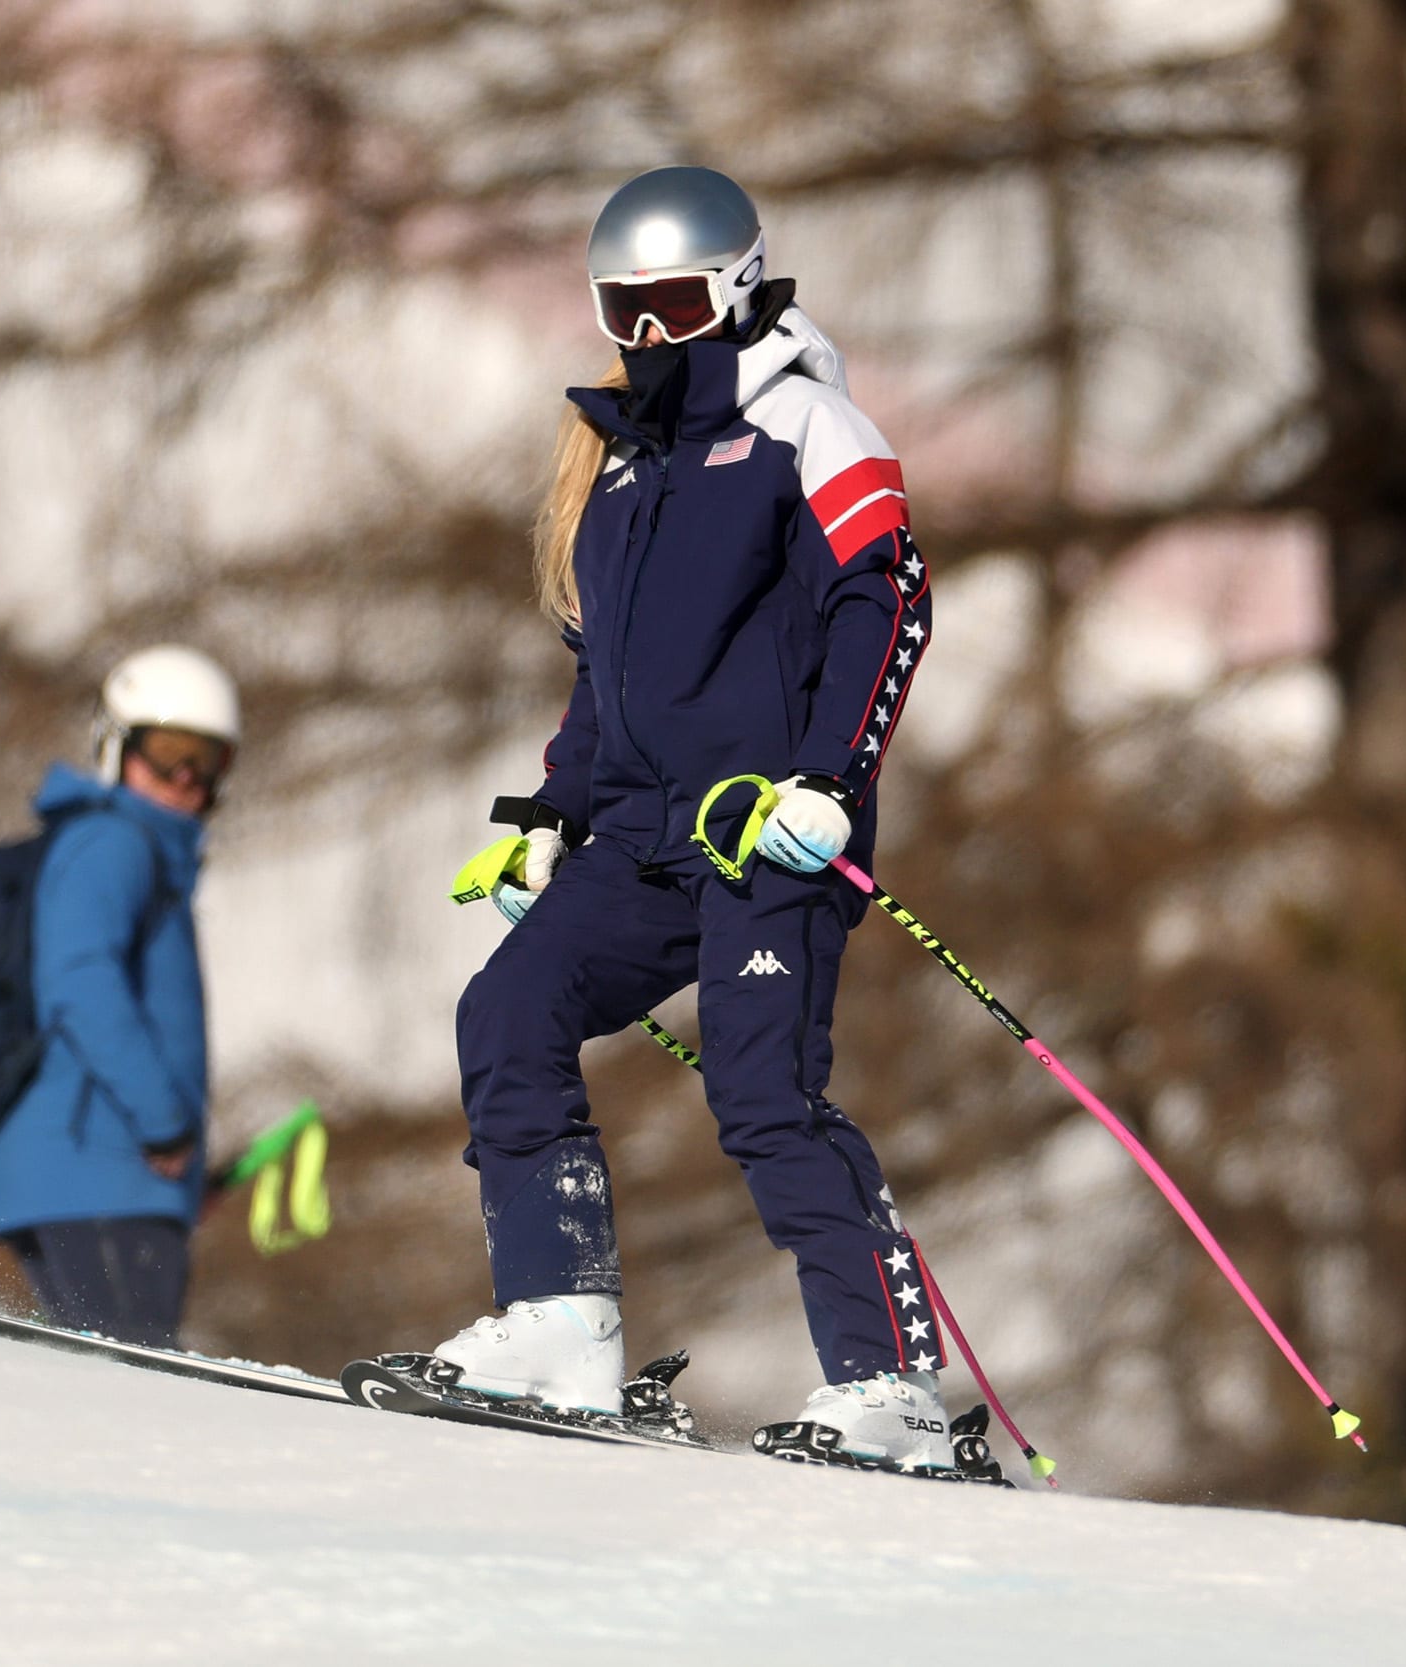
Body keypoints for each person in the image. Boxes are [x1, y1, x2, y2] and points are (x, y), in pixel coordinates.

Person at [431, 166, 949, 1467]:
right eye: (623, 310)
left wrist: (833, 777)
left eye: (667, 305)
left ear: (729, 285)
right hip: (645, 841)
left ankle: (894, 1389)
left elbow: (885, 599)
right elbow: (606, 676)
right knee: (508, 1008)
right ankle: (560, 1314)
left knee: (767, 1094)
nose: (646, 338)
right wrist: (549, 813)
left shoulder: (809, 425)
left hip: (769, 827)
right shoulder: (622, 466)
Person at [0, 644, 238, 1349]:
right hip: (98, 1171)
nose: (186, 777)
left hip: (109, 1173)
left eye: (209, 759)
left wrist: (186, 1171)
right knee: (132, 1381)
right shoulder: (114, 844)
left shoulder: (141, 852)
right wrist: (161, 1125)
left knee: (111, 1375)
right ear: (116, 746)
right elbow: (80, 983)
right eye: (167, 753)